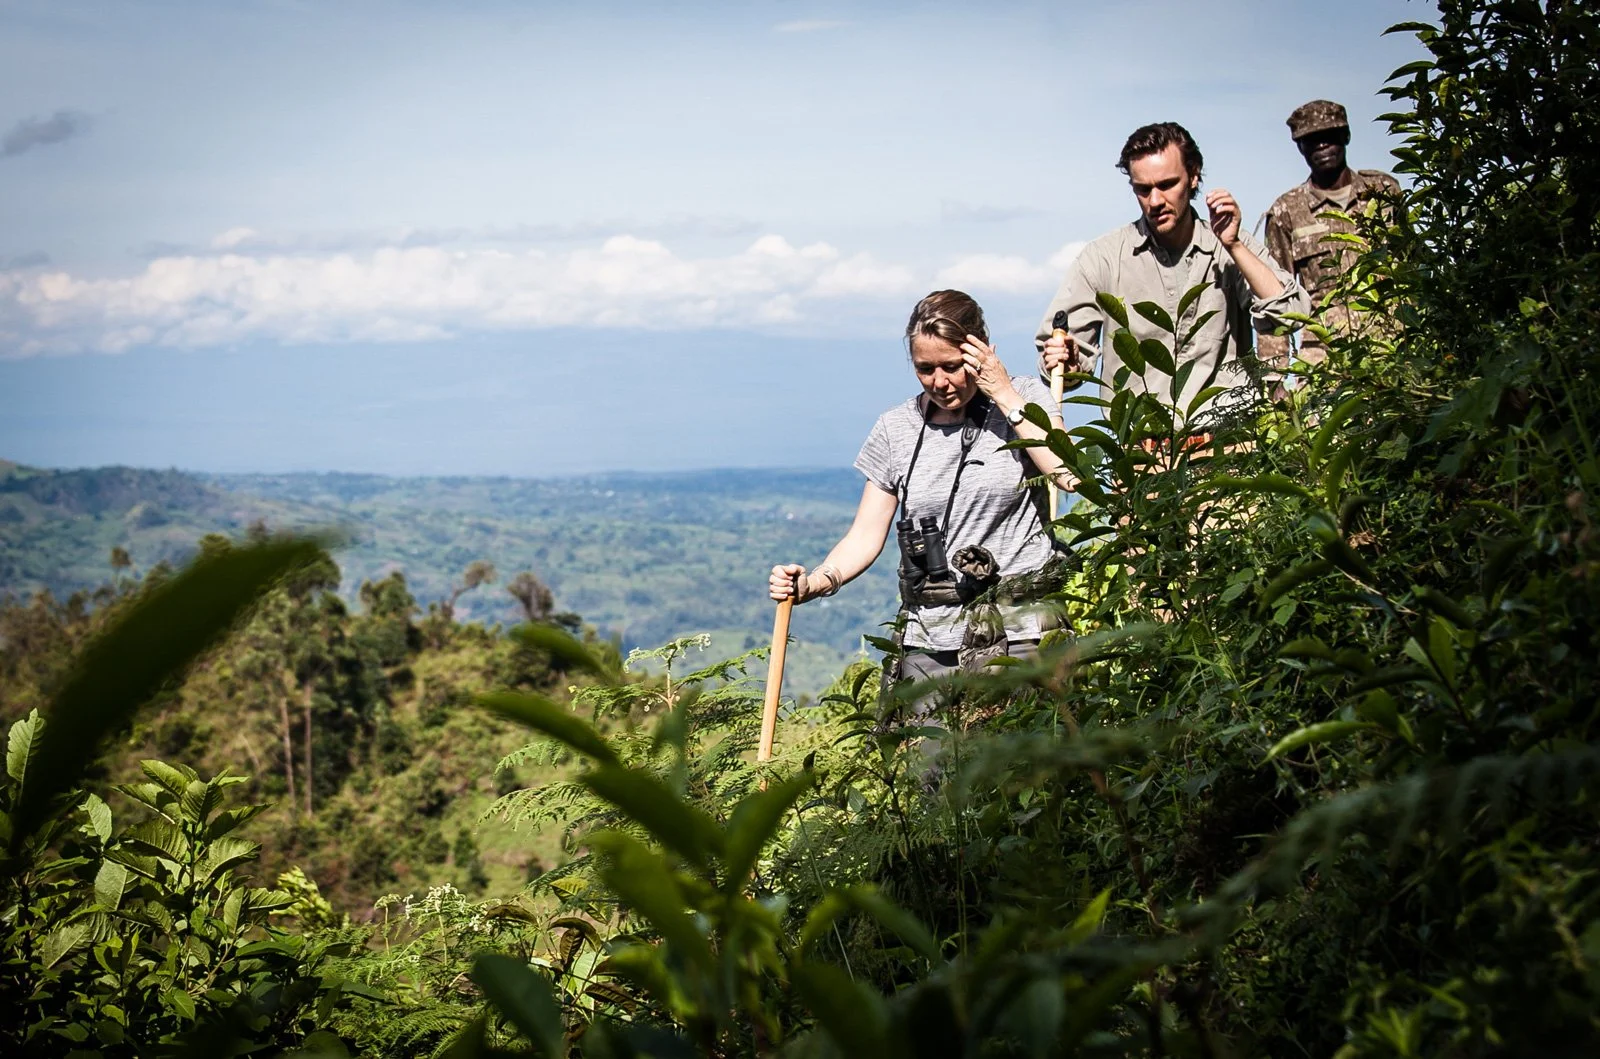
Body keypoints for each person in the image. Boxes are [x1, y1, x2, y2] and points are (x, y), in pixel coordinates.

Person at [768, 289, 1071, 695]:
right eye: (925, 369)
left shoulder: (1026, 399)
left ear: (980, 352)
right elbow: (864, 535)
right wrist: (815, 583)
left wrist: (1003, 393)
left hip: (1019, 633)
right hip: (929, 637)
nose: (940, 383)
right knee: (929, 760)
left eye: (952, 366)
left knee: (1018, 758)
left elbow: (1067, 473)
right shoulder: (896, 428)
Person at [1036, 122, 1309, 415]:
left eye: (1167, 185)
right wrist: (1068, 359)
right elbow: (1058, 359)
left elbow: (1291, 315)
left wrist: (1234, 246)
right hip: (1142, 452)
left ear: (1193, 177)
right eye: (1143, 190)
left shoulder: (1229, 247)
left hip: (1229, 446)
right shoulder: (1102, 258)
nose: (1155, 201)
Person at [1259, 100, 1401, 369]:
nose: (1321, 146)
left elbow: (1412, 264)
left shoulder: (1383, 191)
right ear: (1300, 147)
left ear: (1345, 136)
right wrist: (1274, 376)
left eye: (1328, 137)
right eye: (1311, 141)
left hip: (1392, 345)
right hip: (1327, 358)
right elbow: (1275, 296)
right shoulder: (1286, 211)